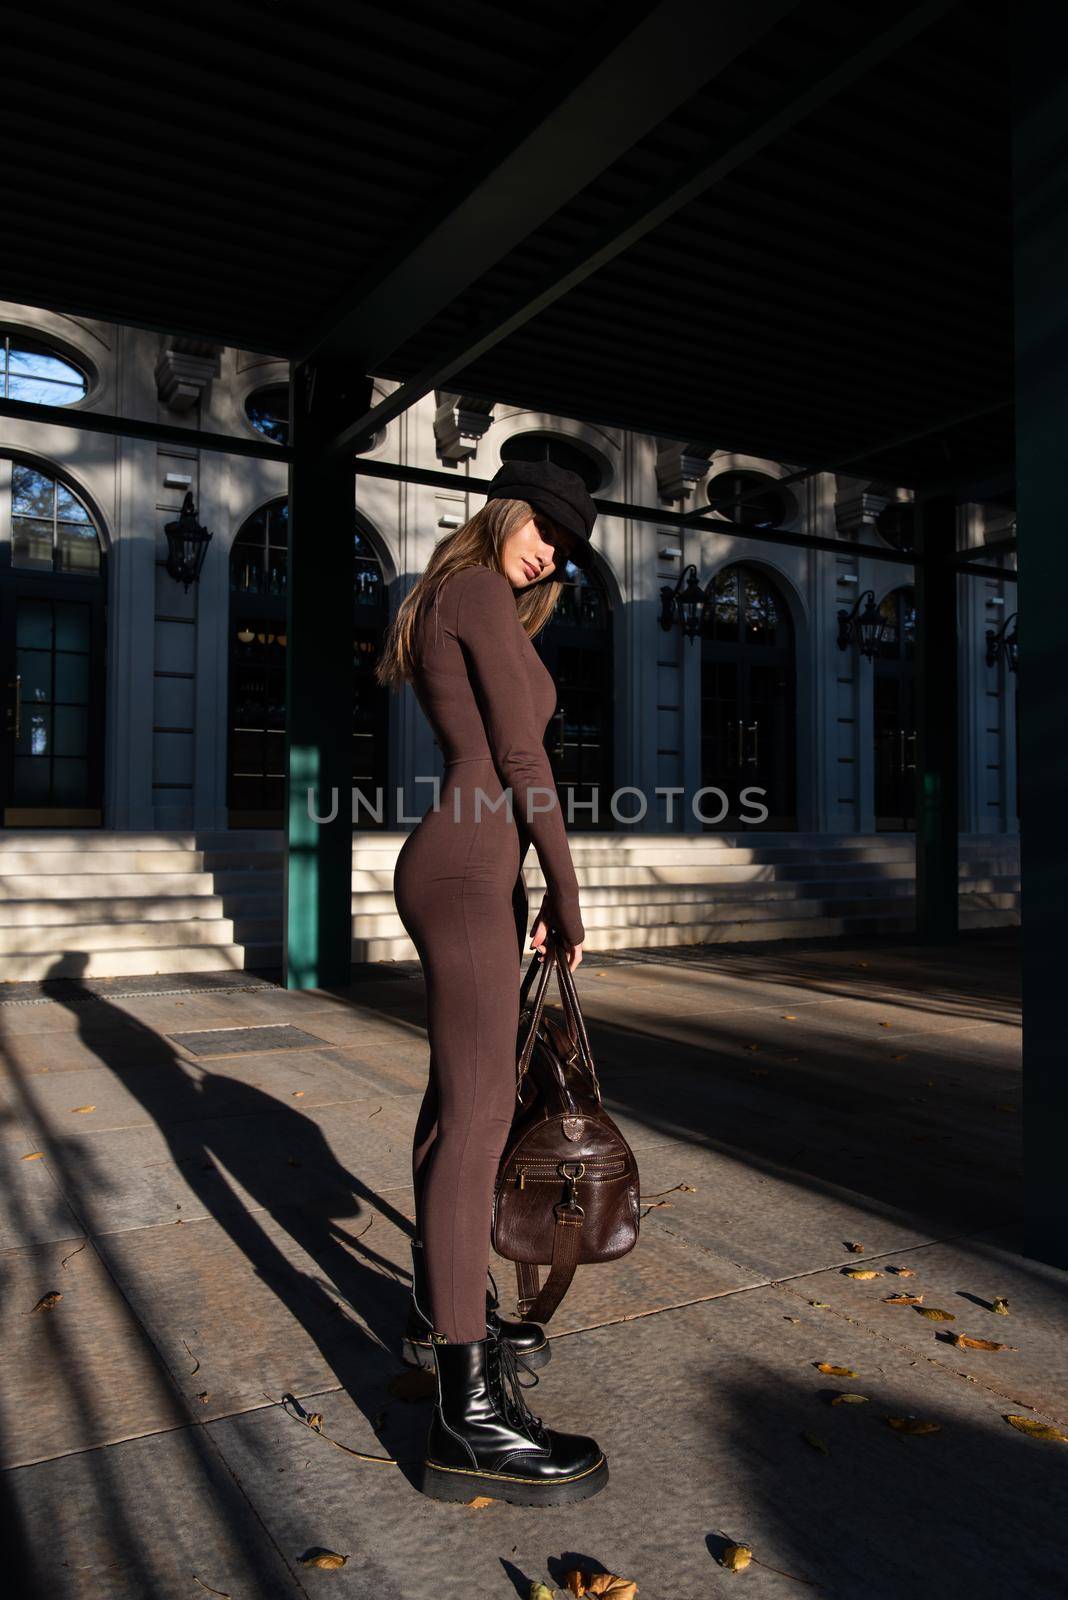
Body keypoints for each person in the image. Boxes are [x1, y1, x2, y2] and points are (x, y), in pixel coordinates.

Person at [375, 458, 608, 1506]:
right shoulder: (473, 590)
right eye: (544, 529)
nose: (549, 552)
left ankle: (441, 1318)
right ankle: (466, 1416)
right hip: (474, 867)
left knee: (453, 1110)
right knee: (476, 1119)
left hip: (471, 865)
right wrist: (566, 888)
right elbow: (522, 755)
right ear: (505, 510)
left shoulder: (466, 598)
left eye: (564, 547)